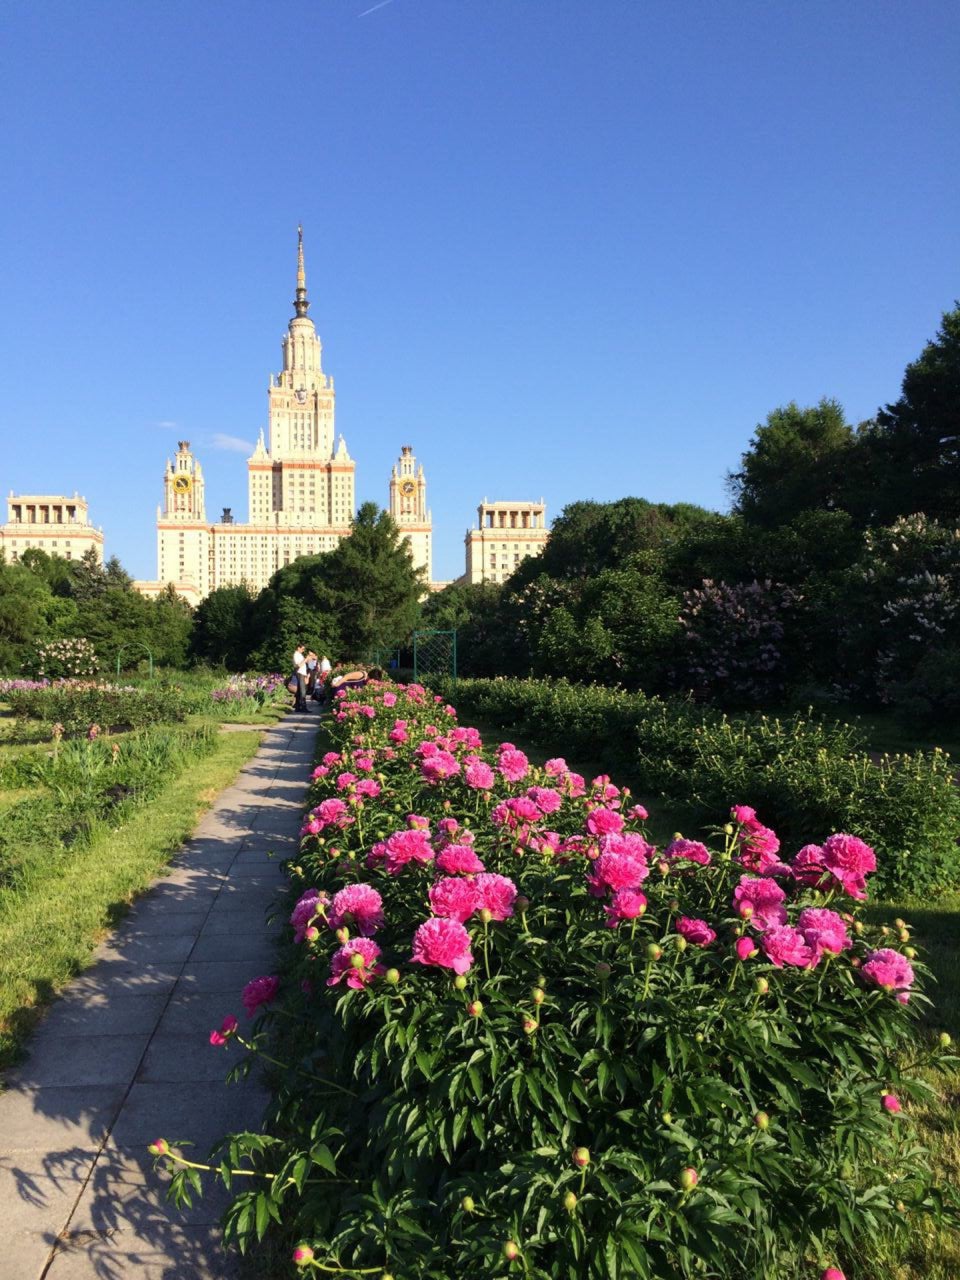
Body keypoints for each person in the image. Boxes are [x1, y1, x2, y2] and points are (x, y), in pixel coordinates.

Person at [292, 643, 308, 712]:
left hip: (302, 673)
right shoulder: (296, 655)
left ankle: (298, 707)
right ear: (298, 648)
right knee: (302, 691)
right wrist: (306, 659)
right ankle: (303, 707)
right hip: (300, 673)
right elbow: (298, 665)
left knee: (299, 690)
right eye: (302, 649)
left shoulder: (300, 655)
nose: (303, 650)